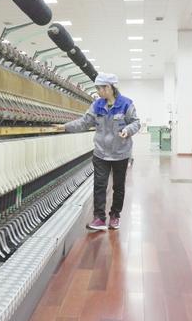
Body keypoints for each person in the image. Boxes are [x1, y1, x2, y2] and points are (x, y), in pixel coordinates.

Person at [60, 73, 140, 231]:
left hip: (120, 153)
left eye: (100, 88)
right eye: (97, 88)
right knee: (99, 185)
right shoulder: (97, 105)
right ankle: (99, 218)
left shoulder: (126, 104)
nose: (98, 92)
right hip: (101, 153)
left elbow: (136, 122)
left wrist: (127, 130)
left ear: (109, 88)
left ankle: (115, 216)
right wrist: (65, 127)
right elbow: (84, 122)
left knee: (118, 187)